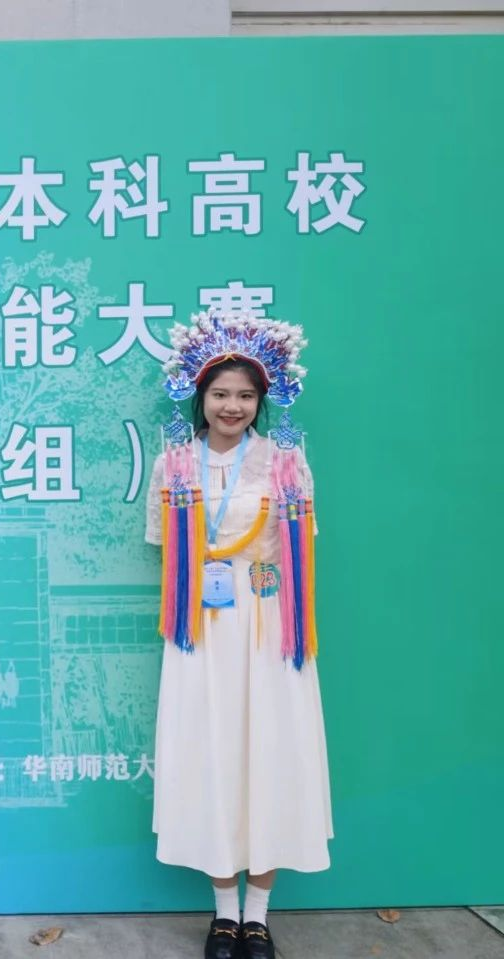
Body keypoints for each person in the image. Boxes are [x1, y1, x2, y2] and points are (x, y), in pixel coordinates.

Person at [145, 312, 332, 959]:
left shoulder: (285, 463)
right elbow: (165, 544)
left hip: (269, 626)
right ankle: (224, 913)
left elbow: (298, 545)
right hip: (200, 630)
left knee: (270, 755)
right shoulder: (174, 464)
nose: (232, 406)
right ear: (200, 396)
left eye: (246, 395)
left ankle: (259, 916)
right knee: (211, 755)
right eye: (221, 393)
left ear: (262, 400)